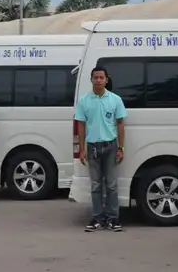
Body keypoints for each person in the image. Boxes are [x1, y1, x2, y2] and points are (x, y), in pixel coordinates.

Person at [75, 66, 127, 232]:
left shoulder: (115, 100)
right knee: (96, 185)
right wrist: (82, 149)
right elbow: (81, 125)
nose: (98, 80)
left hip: (110, 146)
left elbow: (120, 124)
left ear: (106, 79)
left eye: (101, 77)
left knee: (111, 185)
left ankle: (113, 219)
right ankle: (97, 218)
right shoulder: (84, 101)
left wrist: (120, 147)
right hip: (92, 147)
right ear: (91, 79)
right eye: (95, 77)